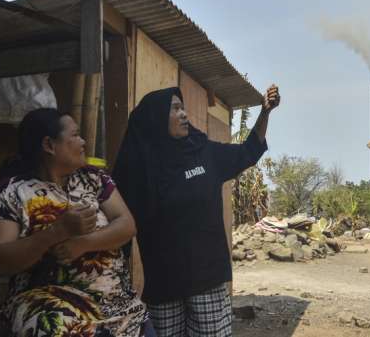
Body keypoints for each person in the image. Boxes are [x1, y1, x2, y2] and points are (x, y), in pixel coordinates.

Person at [113, 85, 280, 336]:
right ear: (156, 118)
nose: (183, 114)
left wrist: (265, 113)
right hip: (163, 285)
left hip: (206, 280)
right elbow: (121, 227)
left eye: (183, 108)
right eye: (175, 108)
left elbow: (249, 151)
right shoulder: (137, 168)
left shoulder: (203, 152)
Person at [0, 108, 151, 337]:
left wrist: (83, 243)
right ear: (49, 145)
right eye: (75, 135)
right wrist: (56, 232)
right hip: (51, 307)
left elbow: (127, 225)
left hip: (118, 304)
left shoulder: (93, 179)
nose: (83, 141)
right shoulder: (10, 192)